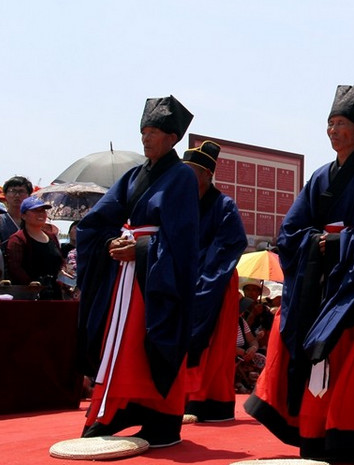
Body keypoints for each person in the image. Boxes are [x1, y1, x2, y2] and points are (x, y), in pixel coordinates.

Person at [245, 81, 354, 464]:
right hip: (318, 280)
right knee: (307, 350)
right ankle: (315, 436)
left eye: (341, 123)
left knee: (353, 359)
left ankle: (353, 440)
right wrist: (314, 242)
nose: (333, 130)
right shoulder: (319, 176)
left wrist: (338, 242)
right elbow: (291, 230)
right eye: (330, 123)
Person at [76, 95, 198, 447]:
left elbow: (183, 239)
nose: (145, 139)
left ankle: (162, 419)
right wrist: (109, 242)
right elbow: (97, 220)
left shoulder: (181, 178)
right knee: (123, 344)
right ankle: (118, 408)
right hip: (128, 276)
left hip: (156, 275)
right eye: (143, 132)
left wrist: (142, 248)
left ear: (172, 138)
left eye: (154, 132)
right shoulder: (132, 177)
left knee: (154, 339)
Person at [181, 140, 248, 422]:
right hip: (183, 280)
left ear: (207, 174)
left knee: (216, 344)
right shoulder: (179, 203)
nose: (186, 177)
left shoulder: (224, 205)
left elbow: (228, 245)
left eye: (192, 171)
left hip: (217, 280)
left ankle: (212, 404)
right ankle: (181, 399)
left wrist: (205, 278)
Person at [5, 197, 64, 299]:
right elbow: (14, 268)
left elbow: (59, 260)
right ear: (23, 215)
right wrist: (31, 284)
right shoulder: (17, 239)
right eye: (35, 211)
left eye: (43, 211)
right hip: (29, 296)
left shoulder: (52, 237)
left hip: (54, 292)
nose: (40, 214)